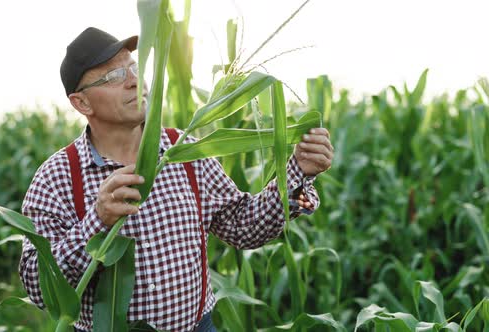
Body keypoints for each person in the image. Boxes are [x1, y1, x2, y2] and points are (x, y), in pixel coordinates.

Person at [18, 27, 334, 332]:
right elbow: (38, 286)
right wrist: (97, 222)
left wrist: (296, 172)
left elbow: (243, 227)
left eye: (135, 67)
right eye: (114, 76)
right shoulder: (57, 177)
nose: (134, 81)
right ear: (82, 103)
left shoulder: (184, 151)